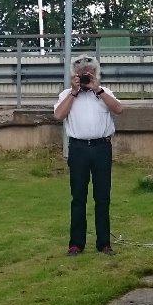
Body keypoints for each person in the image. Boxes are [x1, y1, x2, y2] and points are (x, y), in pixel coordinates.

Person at [53, 56, 125, 255]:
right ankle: (76, 244)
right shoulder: (66, 94)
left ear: (95, 74)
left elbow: (119, 109)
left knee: (102, 197)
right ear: (74, 76)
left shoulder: (104, 93)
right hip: (78, 149)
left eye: (89, 74)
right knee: (78, 197)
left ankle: (104, 243)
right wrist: (74, 93)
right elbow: (58, 116)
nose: (85, 77)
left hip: (102, 148)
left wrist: (98, 89)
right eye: (81, 74)